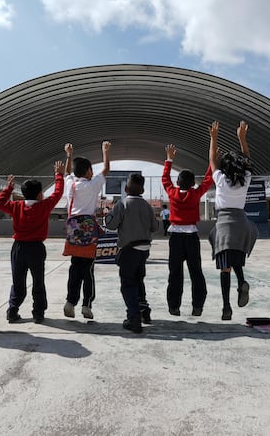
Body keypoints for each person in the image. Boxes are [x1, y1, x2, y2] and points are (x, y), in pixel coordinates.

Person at [0, 161, 65, 324]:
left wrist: (8, 189)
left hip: (18, 247)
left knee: (18, 281)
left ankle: (12, 310)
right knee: (38, 281)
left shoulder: (16, 206)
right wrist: (59, 175)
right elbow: (58, 193)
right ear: (40, 193)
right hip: (36, 248)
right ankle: (38, 313)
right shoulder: (44, 206)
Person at [207, 120, 257, 321]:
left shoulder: (220, 179)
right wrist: (242, 138)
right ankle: (242, 281)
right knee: (236, 259)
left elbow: (212, 159)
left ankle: (226, 306)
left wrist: (213, 138)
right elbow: (247, 160)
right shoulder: (245, 179)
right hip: (242, 224)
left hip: (225, 225)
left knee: (224, 267)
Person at [162, 143, 214, 317]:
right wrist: (212, 161)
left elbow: (165, 179)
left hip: (175, 237)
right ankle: (197, 305)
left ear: (178, 182)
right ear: (193, 183)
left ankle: (174, 306)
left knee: (175, 273)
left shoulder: (172, 193)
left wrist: (169, 159)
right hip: (191, 237)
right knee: (196, 272)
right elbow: (208, 180)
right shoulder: (195, 194)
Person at [105, 173, 159, 333]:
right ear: (142, 189)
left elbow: (112, 225)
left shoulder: (122, 204)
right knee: (139, 280)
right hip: (144, 249)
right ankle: (144, 310)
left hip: (128, 250)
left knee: (128, 283)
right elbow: (155, 227)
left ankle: (134, 317)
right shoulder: (147, 206)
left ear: (126, 188)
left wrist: (109, 215)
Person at [63, 141, 111, 320]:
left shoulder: (71, 184)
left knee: (74, 268)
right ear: (89, 171)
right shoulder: (92, 185)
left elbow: (67, 172)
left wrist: (69, 154)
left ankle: (70, 302)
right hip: (89, 234)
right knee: (88, 271)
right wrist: (105, 151)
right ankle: (86, 305)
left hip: (73, 232)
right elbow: (106, 170)